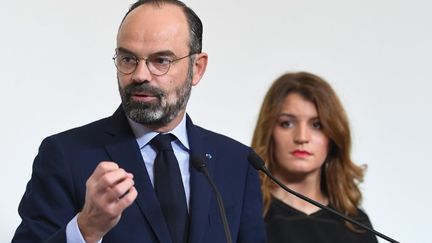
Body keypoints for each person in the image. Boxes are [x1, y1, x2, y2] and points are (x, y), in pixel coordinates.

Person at [12, 1, 266, 242]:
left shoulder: (237, 163)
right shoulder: (66, 156)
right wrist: (86, 229)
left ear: (197, 68)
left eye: (161, 61)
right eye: (128, 59)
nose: (140, 75)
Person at [251, 71, 378, 243]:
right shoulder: (244, 214)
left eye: (317, 125)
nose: (302, 137)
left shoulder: (356, 225)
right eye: (287, 123)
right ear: (269, 131)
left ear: (333, 136)